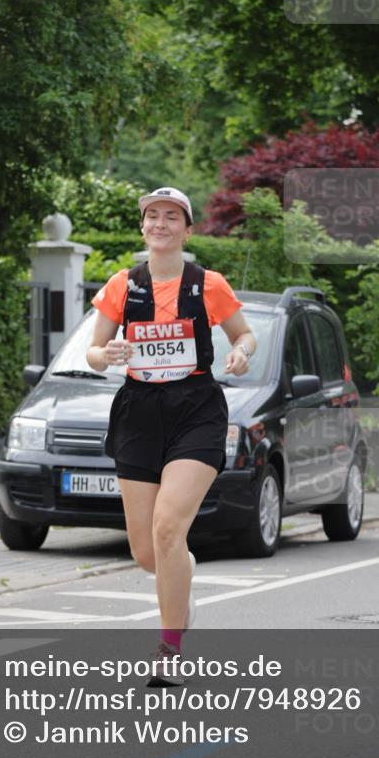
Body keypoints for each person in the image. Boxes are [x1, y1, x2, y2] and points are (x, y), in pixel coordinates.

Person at [86, 187, 256, 684]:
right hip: (139, 410)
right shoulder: (122, 284)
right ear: (143, 226)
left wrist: (242, 352)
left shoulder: (208, 283)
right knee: (146, 553)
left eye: (171, 217)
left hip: (196, 408)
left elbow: (243, 334)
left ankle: (169, 651)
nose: (161, 224)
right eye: (152, 216)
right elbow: (93, 352)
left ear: (186, 227)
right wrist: (107, 355)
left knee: (167, 529)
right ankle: (182, 578)